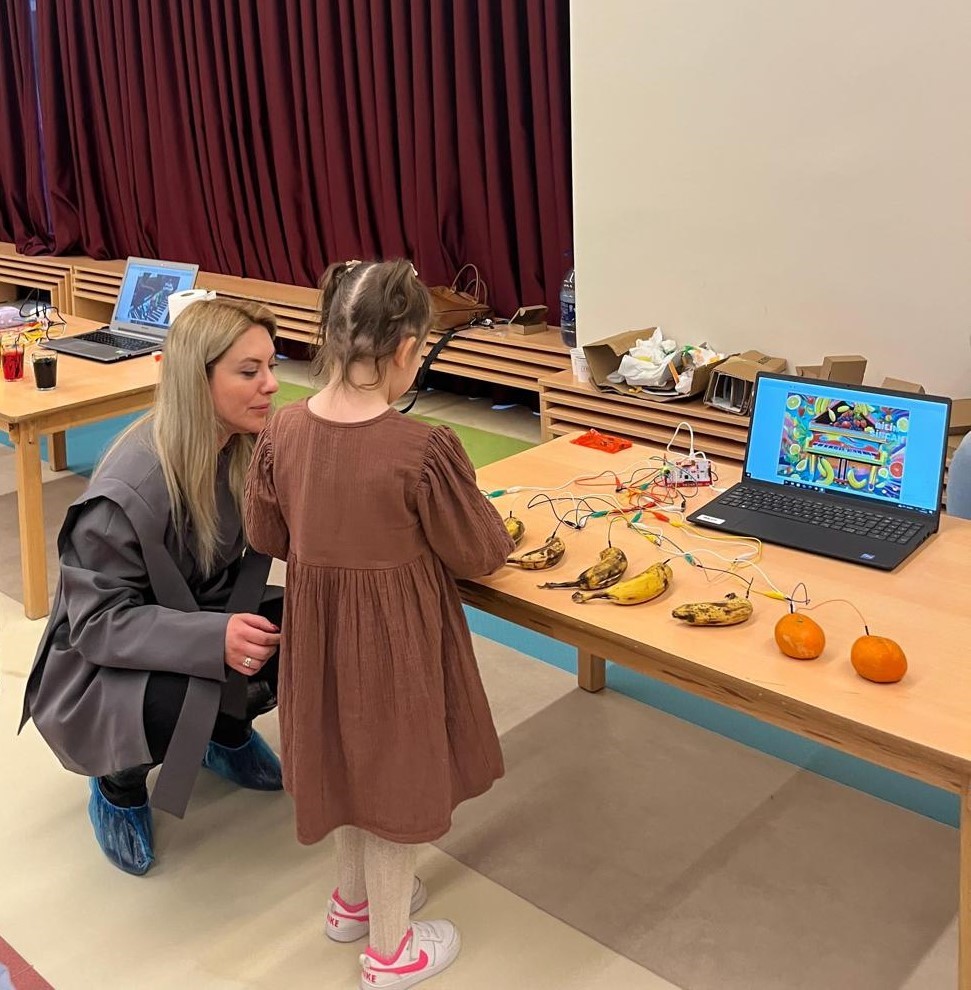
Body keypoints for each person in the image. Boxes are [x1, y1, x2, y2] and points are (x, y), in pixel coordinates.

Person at [244, 259, 514, 989]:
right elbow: (479, 553)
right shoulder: (420, 449)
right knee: (393, 775)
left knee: (340, 756)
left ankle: (352, 903)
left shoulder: (282, 429)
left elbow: (267, 535)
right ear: (406, 350)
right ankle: (393, 951)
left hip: (317, 636)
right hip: (395, 644)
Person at [20, 298, 285, 877]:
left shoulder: (243, 445)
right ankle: (117, 784)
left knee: (311, 623)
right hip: (99, 661)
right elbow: (97, 624)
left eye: (272, 365)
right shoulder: (131, 486)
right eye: (249, 371)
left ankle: (226, 731)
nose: (270, 384)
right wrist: (213, 639)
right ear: (197, 380)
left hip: (195, 614)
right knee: (180, 696)